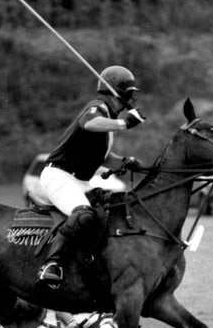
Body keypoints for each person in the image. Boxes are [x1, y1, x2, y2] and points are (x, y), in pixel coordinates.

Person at [36, 65, 146, 290]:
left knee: (107, 211)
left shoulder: (108, 121)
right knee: (84, 215)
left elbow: (104, 158)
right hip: (58, 176)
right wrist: (125, 123)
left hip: (79, 180)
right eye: (128, 93)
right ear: (116, 93)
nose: (131, 99)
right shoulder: (97, 108)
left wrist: (125, 162)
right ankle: (52, 264)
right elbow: (89, 123)